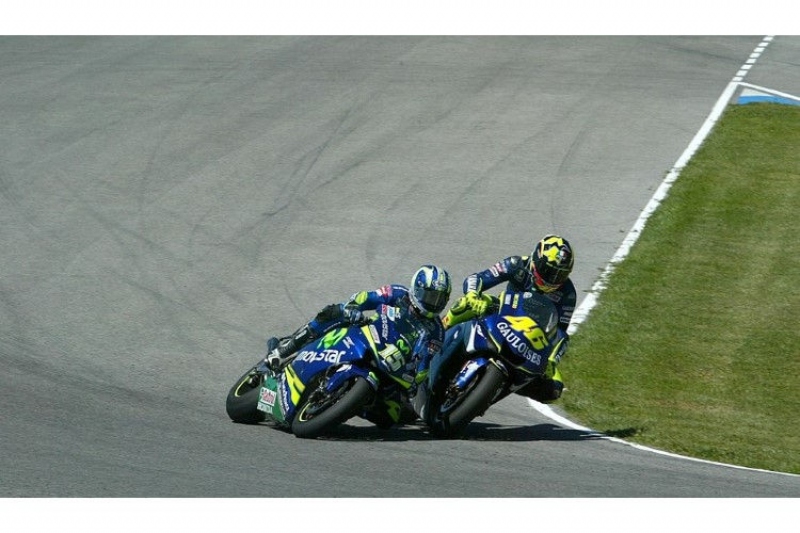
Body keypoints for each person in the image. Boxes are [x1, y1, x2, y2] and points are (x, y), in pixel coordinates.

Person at [265, 264, 452, 427]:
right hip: (367, 336)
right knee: (334, 313)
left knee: (391, 417)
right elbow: (367, 297)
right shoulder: (398, 293)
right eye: (430, 296)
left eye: (439, 299)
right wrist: (354, 307)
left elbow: (425, 363)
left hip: (392, 369)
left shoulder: (437, 331)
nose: (434, 303)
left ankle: (348, 404)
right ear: (417, 289)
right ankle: (286, 348)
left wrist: (415, 379)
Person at [441, 234, 576, 403]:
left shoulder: (568, 294)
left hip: (531, 339)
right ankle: (437, 335)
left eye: (560, 275)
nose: (553, 279)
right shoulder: (516, 264)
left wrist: (551, 360)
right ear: (536, 259)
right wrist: (472, 295)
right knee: (464, 305)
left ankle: (494, 391)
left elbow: (560, 332)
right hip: (503, 314)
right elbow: (478, 278)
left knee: (554, 389)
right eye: (548, 271)